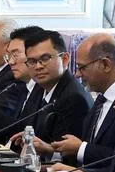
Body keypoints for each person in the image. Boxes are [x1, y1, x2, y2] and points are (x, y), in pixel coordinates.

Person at [51, 34, 115, 170]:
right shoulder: (100, 99)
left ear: (105, 64)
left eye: (82, 67)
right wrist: (51, 150)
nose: (77, 74)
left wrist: (81, 148)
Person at [18, 28, 91, 157]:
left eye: (45, 58)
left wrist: (45, 149)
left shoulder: (73, 98)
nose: (38, 66)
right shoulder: (40, 87)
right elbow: (26, 126)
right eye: (32, 61)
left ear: (65, 59)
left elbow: (69, 154)